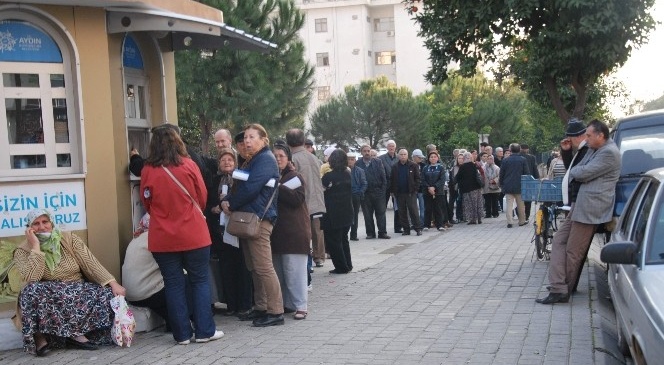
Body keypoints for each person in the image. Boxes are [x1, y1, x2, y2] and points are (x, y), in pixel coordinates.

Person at [140, 125, 223, 344]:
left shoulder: (148, 169)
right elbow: (202, 197)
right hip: (193, 233)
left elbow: (146, 202)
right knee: (199, 281)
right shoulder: (189, 164)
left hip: (162, 237)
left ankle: (182, 334)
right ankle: (205, 330)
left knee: (173, 284)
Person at [13, 208, 126, 356]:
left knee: (106, 293)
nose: (41, 227)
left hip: (75, 286)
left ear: (51, 222)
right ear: (29, 228)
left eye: (45, 222)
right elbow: (32, 278)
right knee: (30, 291)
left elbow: (89, 262)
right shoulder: (22, 251)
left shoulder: (68, 239)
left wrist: (112, 282)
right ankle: (41, 337)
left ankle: (77, 333)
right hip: (47, 292)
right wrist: (35, 247)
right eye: (36, 223)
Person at [537, 119, 621, 304]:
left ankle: (562, 290)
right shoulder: (595, 149)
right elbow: (575, 169)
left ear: (601, 135)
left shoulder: (608, 153)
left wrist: (578, 172)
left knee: (574, 251)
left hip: (591, 208)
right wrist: (572, 161)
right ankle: (558, 285)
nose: (586, 139)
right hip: (580, 204)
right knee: (559, 241)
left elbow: (581, 172)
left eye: (589, 136)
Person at [221, 124, 284, 327]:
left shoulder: (265, 159)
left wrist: (230, 203)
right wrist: (227, 199)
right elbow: (240, 185)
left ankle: (276, 312)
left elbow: (251, 188)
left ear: (263, 140)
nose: (246, 141)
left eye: (251, 137)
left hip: (259, 219)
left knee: (264, 267)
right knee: (254, 267)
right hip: (250, 218)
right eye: (245, 137)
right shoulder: (253, 159)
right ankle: (261, 307)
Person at [208, 148, 253, 317]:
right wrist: (214, 208)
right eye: (223, 160)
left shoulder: (241, 179)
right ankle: (231, 304)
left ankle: (245, 305)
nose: (227, 163)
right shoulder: (214, 180)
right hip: (220, 231)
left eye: (230, 160)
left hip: (239, 228)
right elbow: (208, 202)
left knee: (242, 267)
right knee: (226, 267)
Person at [270, 143, 311, 320]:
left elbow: (297, 199)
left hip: (294, 233)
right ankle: (287, 304)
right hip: (277, 234)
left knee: (295, 272)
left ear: (288, 159)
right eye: (275, 156)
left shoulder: (294, 177)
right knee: (280, 272)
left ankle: (301, 305)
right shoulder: (271, 176)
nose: (278, 159)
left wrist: (277, 187)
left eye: (281, 156)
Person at [286, 129, 327, 269]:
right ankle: (319, 257)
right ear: (303, 141)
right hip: (318, 200)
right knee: (317, 231)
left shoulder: (292, 159)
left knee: (303, 233)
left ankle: (307, 260)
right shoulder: (314, 158)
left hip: (302, 201)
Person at [122, 213, 171, 328]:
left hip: (130, 295)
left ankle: (172, 321)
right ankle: (184, 322)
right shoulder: (156, 238)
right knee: (181, 282)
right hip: (147, 294)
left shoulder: (136, 239)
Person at [321, 149, 354, 273]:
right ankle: (348, 264)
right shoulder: (348, 173)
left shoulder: (328, 177)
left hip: (333, 213)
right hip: (347, 211)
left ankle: (341, 267)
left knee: (334, 241)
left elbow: (322, 190)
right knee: (344, 239)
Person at [356, 144, 390, 239]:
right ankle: (370, 233)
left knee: (381, 213)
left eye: (368, 151)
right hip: (365, 193)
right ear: (361, 152)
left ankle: (382, 232)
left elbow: (383, 177)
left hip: (378, 191)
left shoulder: (378, 162)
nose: (367, 153)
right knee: (367, 214)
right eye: (365, 151)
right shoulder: (358, 164)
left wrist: (383, 191)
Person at [389, 149, 422, 235]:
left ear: (407, 155)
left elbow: (418, 179)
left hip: (410, 193)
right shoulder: (395, 166)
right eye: (401, 154)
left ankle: (418, 229)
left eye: (404, 154)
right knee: (402, 212)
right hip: (399, 193)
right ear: (398, 156)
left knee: (413, 211)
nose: (403, 156)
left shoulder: (413, 165)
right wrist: (392, 191)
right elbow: (392, 180)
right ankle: (406, 229)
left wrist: (415, 189)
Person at [421, 150, 451, 231]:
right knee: (427, 208)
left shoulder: (441, 168)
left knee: (438, 209)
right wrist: (429, 187)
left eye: (435, 157)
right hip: (427, 192)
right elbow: (423, 179)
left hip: (438, 192)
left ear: (437, 158)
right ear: (429, 159)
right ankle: (426, 225)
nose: (433, 158)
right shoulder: (425, 168)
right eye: (431, 157)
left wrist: (434, 187)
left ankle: (440, 225)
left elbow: (442, 179)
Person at [378, 139, 402, 233]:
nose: (391, 147)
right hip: (385, 186)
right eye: (389, 146)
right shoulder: (381, 158)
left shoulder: (399, 157)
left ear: (395, 147)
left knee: (397, 207)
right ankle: (382, 229)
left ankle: (398, 227)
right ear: (387, 148)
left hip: (396, 186)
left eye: (393, 146)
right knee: (382, 208)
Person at [455, 152, 484, 224]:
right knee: (478, 203)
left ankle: (472, 219)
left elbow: (457, 177)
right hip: (477, 187)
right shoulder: (474, 165)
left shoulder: (462, 167)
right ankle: (479, 218)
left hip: (467, 189)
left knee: (469, 204)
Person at [348, 152, 367, 241]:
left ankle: (353, 234)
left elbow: (364, 183)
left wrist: (360, 192)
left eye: (352, 159)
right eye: (348, 159)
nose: (350, 161)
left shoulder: (360, 171)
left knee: (355, 215)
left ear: (355, 160)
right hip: (345, 196)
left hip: (356, 195)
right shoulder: (342, 170)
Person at [520, 143, 539, 220]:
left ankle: (520, 214)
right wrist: (537, 179)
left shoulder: (518, 157)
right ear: (527, 149)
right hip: (529, 181)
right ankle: (527, 215)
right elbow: (535, 169)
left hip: (520, 180)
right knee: (528, 199)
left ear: (520, 149)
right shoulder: (532, 157)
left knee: (519, 199)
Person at [411, 149, 427, 226]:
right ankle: (414, 223)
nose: (421, 159)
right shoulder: (409, 165)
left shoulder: (424, 166)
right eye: (419, 157)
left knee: (422, 208)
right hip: (412, 190)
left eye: (421, 157)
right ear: (414, 157)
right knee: (413, 208)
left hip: (421, 190)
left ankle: (422, 223)